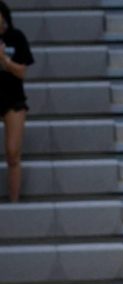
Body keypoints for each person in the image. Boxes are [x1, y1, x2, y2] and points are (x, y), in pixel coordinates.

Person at [0, 1, 32, 203]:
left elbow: (22, 72)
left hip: (13, 98)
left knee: (13, 153)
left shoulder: (16, 37)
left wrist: (4, 60)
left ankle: (14, 201)